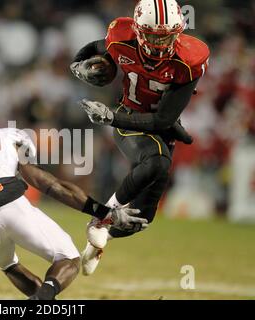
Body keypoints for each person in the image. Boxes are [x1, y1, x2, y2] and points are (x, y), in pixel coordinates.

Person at [0, 126, 148, 300]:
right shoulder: (3, 137)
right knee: (69, 259)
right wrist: (104, 212)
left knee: (9, 266)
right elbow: (51, 185)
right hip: (9, 203)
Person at [70, 0, 209, 275]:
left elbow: (162, 120)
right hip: (128, 114)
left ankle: (99, 241)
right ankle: (103, 218)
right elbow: (95, 48)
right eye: (154, 35)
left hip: (157, 124)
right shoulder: (122, 36)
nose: (161, 43)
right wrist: (77, 66)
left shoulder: (190, 58)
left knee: (141, 219)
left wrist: (109, 117)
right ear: (138, 30)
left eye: (167, 36)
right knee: (157, 162)